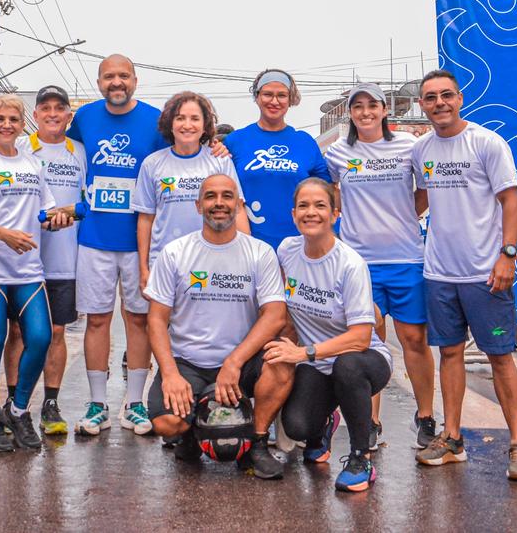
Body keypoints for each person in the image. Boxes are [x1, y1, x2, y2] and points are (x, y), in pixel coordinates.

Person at [410, 70, 517, 482]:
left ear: (459, 98)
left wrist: (507, 255)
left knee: (500, 358)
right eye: (430, 97)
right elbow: (420, 200)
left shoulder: (486, 142)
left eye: (446, 95)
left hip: (486, 273)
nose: (439, 102)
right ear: (422, 105)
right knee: (449, 354)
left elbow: (510, 202)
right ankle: (452, 437)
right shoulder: (421, 149)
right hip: (439, 272)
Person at [145, 174, 294, 480]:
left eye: (227, 196)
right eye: (210, 197)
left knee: (281, 365)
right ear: (198, 205)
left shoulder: (260, 252)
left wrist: (235, 361)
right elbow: (156, 319)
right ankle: (191, 435)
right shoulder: (174, 253)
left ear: (238, 205)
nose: (219, 204)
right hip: (189, 362)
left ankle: (257, 443)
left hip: (243, 360)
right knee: (166, 424)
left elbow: (276, 315)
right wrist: (170, 374)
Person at [323, 81, 434, 455]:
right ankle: (369, 422)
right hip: (360, 265)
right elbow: (329, 196)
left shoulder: (410, 145)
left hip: (406, 261)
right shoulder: (339, 153)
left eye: (373, 105)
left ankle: (426, 416)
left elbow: (424, 192)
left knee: (414, 341)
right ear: (350, 113)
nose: (366, 112)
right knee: (368, 344)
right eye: (358, 106)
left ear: (385, 110)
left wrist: (402, 218)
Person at [0, 94, 69, 452]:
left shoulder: (32, 163)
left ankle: (17, 409)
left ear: (23, 125)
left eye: (13, 120)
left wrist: (57, 220)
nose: (6, 125)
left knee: (40, 337)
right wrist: (5, 235)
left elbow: (45, 211)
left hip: (26, 268)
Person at [267, 178, 393, 492]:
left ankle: (360, 458)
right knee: (298, 427)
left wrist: (303, 353)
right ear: (293, 214)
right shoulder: (287, 250)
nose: (311, 213)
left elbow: (362, 337)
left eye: (320, 205)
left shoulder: (350, 264)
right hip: (317, 364)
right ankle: (322, 425)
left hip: (364, 360)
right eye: (304, 206)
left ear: (335, 214)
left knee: (347, 367)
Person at [65, 54, 167, 437]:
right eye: (109, 76)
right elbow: (63, 160)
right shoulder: (86, 118)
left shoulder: (157, 121)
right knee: (97, 319)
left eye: (123, 75)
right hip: (95, 237)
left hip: (141, 240)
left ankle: (136, 403)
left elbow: (182, 153)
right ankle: (97, 404)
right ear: (99, 81)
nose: (117, 82)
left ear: (135, 81)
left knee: (139, 318)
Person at [5, 85, 87, 436]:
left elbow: (91, 200)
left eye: (60, 108)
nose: (53, 114)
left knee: (56, 332)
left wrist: (71, 213)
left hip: (65, 259)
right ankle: (13, 401)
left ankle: (50, 403)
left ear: (69, 115)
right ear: (34, 115)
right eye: (45, 108)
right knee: (17, 332)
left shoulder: (80, 152)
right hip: (20, 258)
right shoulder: (19, 148)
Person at [135, 91, 246, 293]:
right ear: (170, 123)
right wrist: (143, 268)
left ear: (205, 126)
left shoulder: (220, 160)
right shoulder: (152, 164)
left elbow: (237, 209)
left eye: (195, 118)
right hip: (164, 262)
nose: (187, 125)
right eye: (180, 118)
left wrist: (247, 257)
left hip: (213, 261)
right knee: (161, 322)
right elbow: (146, 218)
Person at [223, 69, 331, 251]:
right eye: (267, 94)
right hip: (248, 246)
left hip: (298, 246)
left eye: (281, 95)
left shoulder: (304, 142)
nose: (274, 101)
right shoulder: (236, 140)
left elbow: (327, 192)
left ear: (290, 100)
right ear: (257, 97)